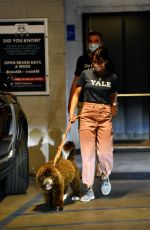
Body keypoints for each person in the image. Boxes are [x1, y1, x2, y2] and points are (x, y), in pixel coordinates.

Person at [69, 47, 118, 202]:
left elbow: (113, 96)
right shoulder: (85, 74)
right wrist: (71, 112)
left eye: (99, 62)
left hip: (104, 115)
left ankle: (105, 176)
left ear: (106, 62)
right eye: (94, 62)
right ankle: (88, 188)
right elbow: (77, 94)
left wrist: (113, 108)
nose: (95, 65)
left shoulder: (113, 77)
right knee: (87, 153)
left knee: (104, 152)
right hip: (87, 113)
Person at [68, 31, 107, 176]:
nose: (93, 43)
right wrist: (70, 103)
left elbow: (112, 84)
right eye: (90, 41)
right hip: (84, 104)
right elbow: (76, 82)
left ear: (101, 43)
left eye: (96, 40)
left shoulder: (106, 59)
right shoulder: (82, 60)